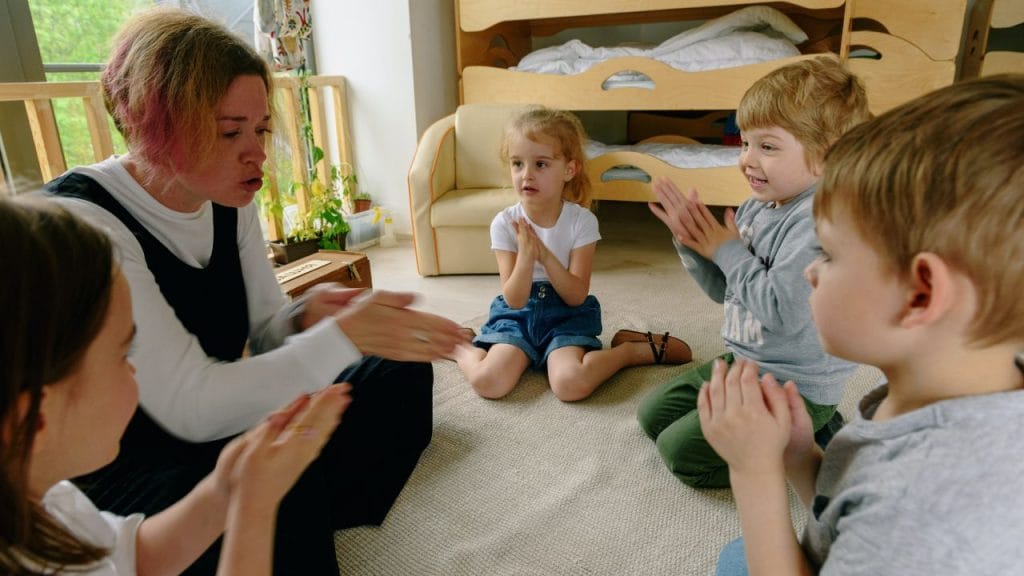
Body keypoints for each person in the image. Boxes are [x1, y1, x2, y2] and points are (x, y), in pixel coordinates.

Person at [45, 8, 466, 575]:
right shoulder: (86, 223)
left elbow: (266, 333)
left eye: (261, 129)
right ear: (153, 122)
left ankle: (309, 505)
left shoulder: (225, 194)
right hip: (132, 458)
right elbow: (191, 406)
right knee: (272, 494)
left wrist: (304, 318)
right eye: (229, 132)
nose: (256, 153)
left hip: (223, 414)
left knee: (397, 371)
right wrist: (339, 339)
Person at [703, 75, 1024, 575]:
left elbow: (884, 511)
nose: (810, 271)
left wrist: (753, 471)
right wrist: (797, 455)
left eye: (828, 254)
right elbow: (850, 502)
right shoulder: (947, 389)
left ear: (920, 294)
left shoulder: (925, 516)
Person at [0, 196, 351, 575]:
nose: (135, 372)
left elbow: (137, 556)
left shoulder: (48, 500)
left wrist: (224, 489)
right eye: (123, 356)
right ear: (35, 419)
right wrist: (254, 510)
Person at [636, 56, 871, 488]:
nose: (746, 159)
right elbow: (726, 292)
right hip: (747, 359)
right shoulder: (757, 207)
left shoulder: (822, 222)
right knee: (651, 417)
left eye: (767, 146)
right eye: (744, 143)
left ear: (825, 155)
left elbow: (781, 310)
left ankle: (808, 434)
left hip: (794, 386)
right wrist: (692, 245)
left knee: (681, 455)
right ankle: (802, 432)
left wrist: (727, 249)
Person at [451, 106, 692, 402]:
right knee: (489, 382)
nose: (526, 174)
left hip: (566, 314)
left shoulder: (582, 222)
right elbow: (513, 299)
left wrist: (544, 255)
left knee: (570, 385)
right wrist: (526, 257)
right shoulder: (503, 223)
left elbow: (576, 295)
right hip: (518, 316)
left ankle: (627, 352)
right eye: (517, 164)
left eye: (540, 164)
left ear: (569, 169)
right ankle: (460, 346)